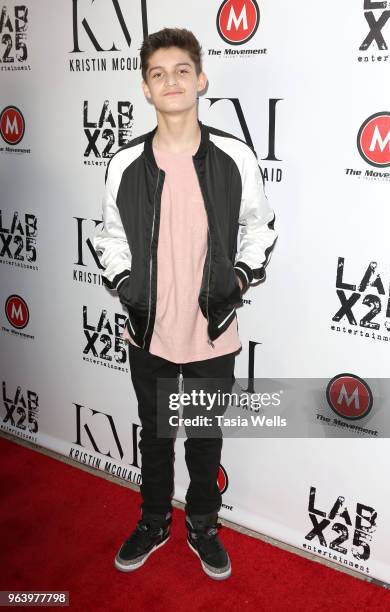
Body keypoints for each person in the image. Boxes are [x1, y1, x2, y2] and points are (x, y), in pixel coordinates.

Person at [93, 27, 278, 581]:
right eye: (157, 73)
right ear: (145, 90)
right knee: (155, 434)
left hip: (212, 328)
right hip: (149, 330)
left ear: (200, 80)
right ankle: (154, 519)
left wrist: (240, 278)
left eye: (180, 70)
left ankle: (202, 523)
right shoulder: (124, 163)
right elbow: (108, 237)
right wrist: (126, 285)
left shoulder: (234, 156)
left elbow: (259, 229)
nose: (170, 80)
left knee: (203, 434)